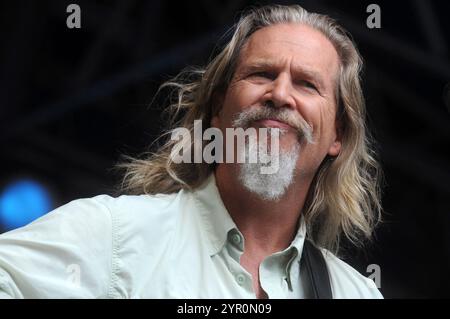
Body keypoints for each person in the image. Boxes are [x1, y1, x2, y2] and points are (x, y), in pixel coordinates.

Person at [0, 4, 383, 299]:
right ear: (218, 109)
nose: (280, 94)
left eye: (306, 84)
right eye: (262, 74)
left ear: (338, 135)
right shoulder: (115, 235)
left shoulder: (356, 291)